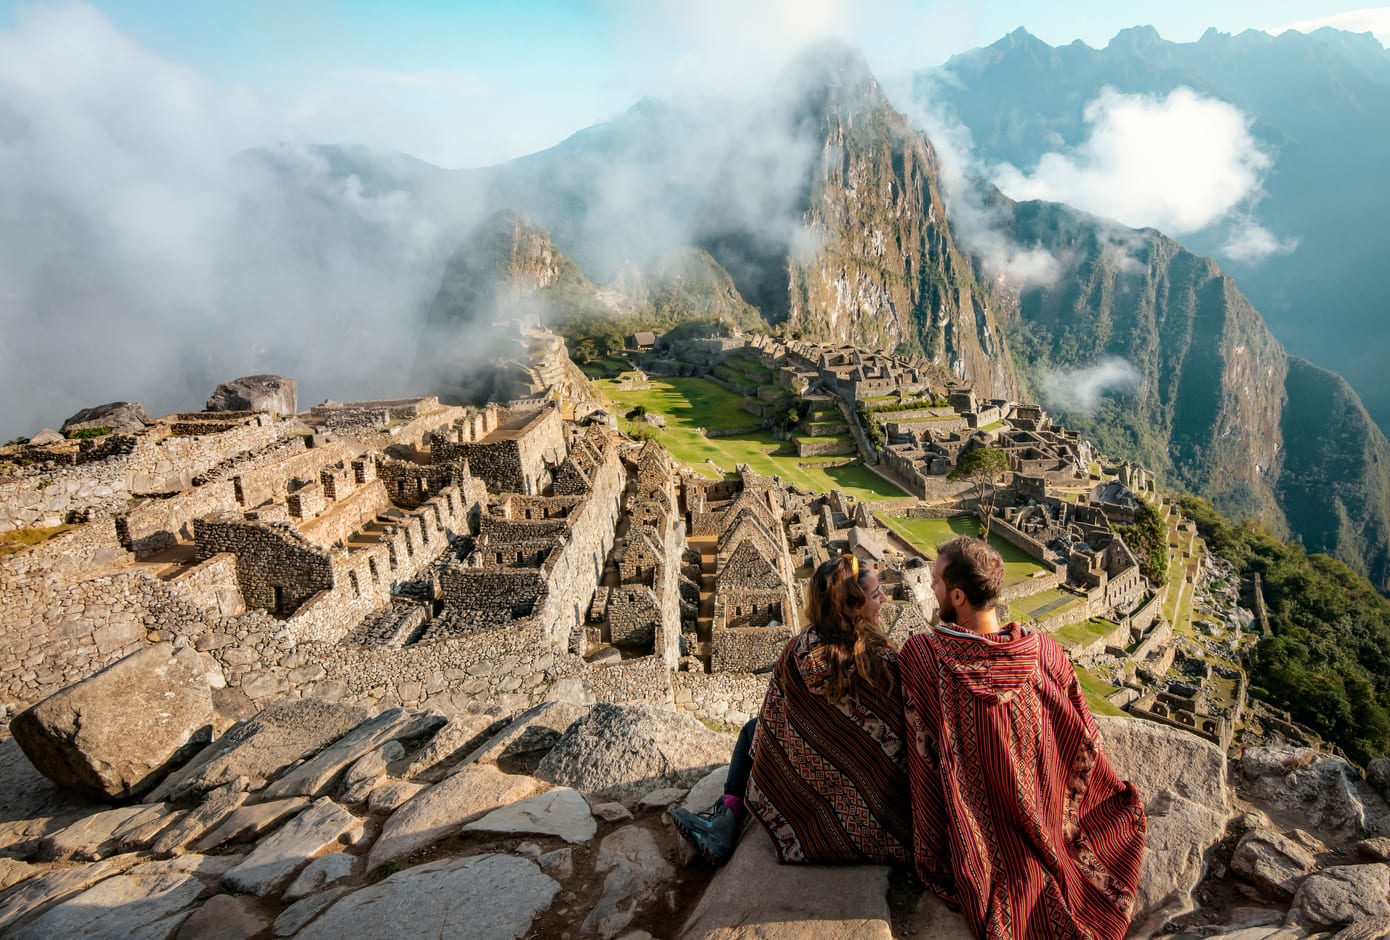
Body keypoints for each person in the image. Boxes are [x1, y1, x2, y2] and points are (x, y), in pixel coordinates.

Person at [900, 536, 1146, 940]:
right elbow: (1085, 735)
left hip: (984, 846)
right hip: (1052, 815)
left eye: (937, 582)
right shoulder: (1045, 653)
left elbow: (922, 750)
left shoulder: (925, 658)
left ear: (958, 596)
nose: (931, 588)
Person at [672, 554, 911, 865]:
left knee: (754, 729)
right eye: (876, 594)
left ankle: (728, 817)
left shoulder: (800, 651)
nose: (883, 599)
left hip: (804, 795)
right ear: (853, 605)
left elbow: (775, 716)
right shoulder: (883, 664)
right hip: (881, 809)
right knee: (760, 728)